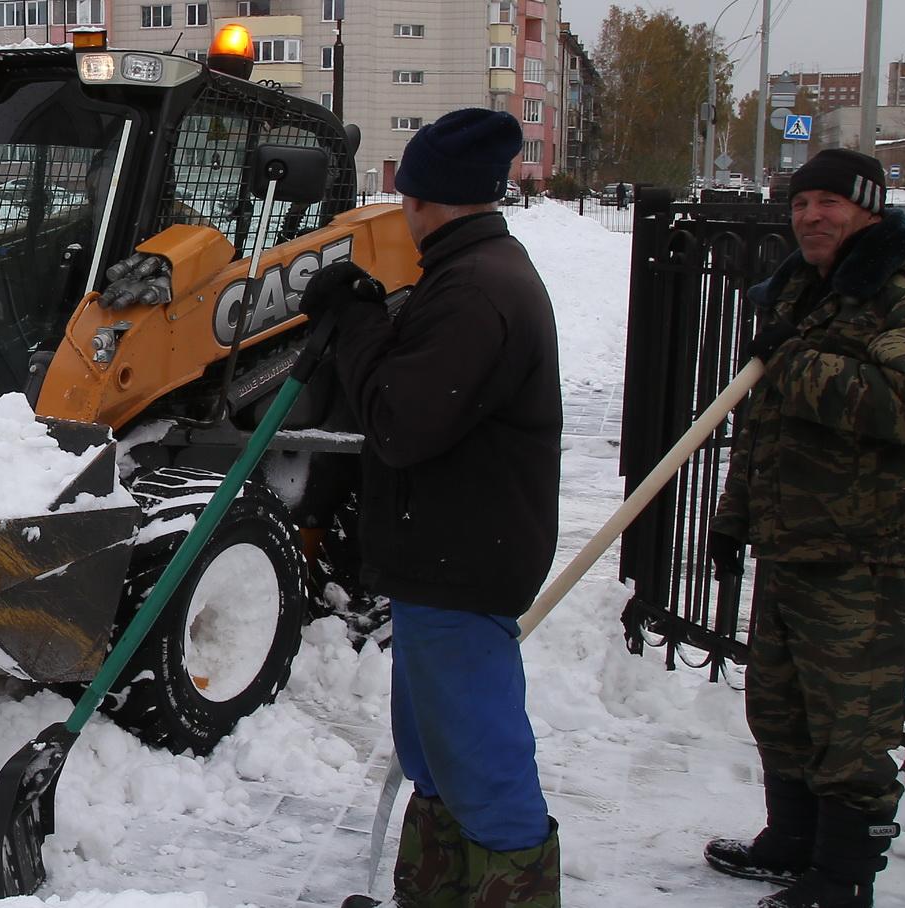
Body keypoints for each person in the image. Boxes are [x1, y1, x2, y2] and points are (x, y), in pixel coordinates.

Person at [702, 148, 905, 908]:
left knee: (850, 722)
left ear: (867, 206)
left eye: (828, 202)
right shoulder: (807, 289)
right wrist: (735, 517)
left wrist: (792, 361)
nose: (810, 217)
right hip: (795, 536)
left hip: (863, 545)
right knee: (781, 706)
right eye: (800, 204)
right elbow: (766, 422)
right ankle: (792, 841)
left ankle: (843, 877)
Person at [301, 107, 564, 906]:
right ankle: (439, 890)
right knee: (437, 757)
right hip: (442, 556)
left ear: (419, 195)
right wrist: (374, 318)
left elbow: (401, 420)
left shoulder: (478, 290)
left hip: (462, 560)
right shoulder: (469, 276)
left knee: (481, 765)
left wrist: (353, 325)